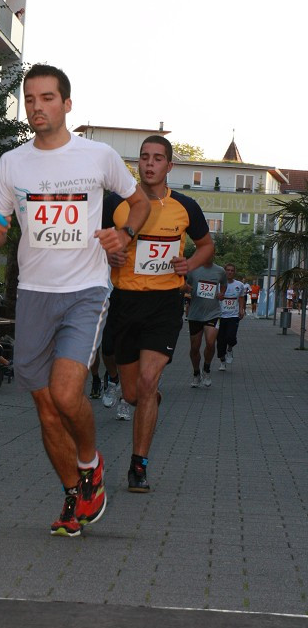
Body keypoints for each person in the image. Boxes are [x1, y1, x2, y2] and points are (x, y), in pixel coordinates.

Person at [0, 63, 150, 537]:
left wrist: (124, 233)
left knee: (65, 393)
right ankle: (74, 494)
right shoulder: (12, 163)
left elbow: (139, 203)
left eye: (48, 98)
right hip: (33, 293)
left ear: (67, 104)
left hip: (86, 290)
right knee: (45, 407)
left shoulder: (97, 157)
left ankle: (90, 463)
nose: (38, 107)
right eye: (30, 99)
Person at [104, 135, 214, 494]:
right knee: (134, 394)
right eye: (144, 158)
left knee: (150, 383)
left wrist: (190, 262)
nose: (150, 164)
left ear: (169, 166)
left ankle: (139, 466)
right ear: (138, 164)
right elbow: (96, 243)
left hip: (164, 304)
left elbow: (207, 245)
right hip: (125, 303)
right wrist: (109, 256)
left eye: (157, 158)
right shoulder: (117, 204)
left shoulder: (185, 207)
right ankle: (146, 401)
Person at [186, 259, 227, 387]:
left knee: (210, 343)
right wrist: (187, 290)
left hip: (213, 314)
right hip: (195, 314)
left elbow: (224, 284)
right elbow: (184, 284)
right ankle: (196, 373)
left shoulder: (220, 270)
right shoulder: (192, 269)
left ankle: (207, 369)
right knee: (194, 348)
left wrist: (222, 293)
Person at [217, 263, 245, 370]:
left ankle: (230, 349)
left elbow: (241, 297)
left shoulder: (239, 285)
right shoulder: (218, 285)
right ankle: (222, 362)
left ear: (234, 272)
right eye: (227, 270)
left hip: (233, 315)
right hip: (220, 316)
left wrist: (241, 309)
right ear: (224, 272)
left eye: (232, 270)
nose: (229, 272)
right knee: (220, 341)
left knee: (231, 336)